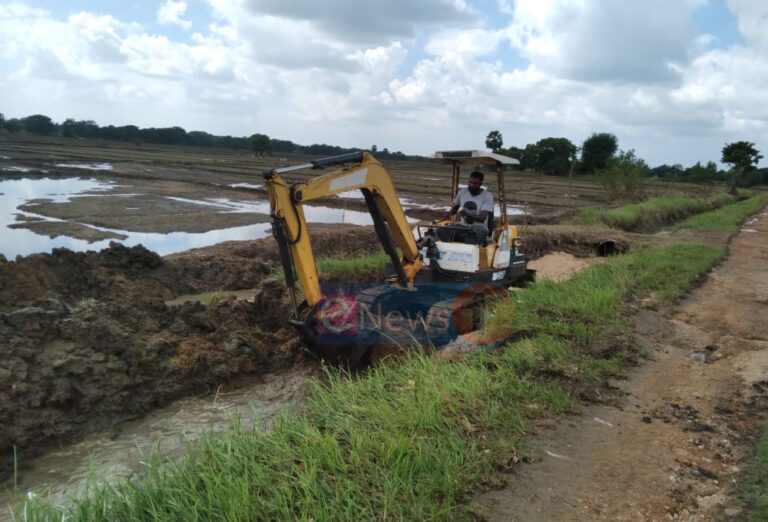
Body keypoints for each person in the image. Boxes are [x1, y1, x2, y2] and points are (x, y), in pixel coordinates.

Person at [445, 170, 493, 245]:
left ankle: (468, 250)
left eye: (475, 184)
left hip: (479, 227)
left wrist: (466, 214)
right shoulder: (462, 192)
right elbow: (455, 207)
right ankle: (449, 247)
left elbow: (482, 218)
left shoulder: (487, 195)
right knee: (441, 231)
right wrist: (449, 213)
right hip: (463, 226)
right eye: (470, 182)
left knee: (473, 234)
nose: (472, 185)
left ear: (480, 184)